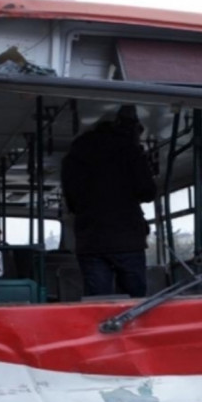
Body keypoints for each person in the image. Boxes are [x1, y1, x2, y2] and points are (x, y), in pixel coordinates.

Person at [61, 105, 156, 297]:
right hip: (127, 238)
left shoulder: (75, 155)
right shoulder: (130, 151)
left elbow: (71, 201)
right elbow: (147, 191)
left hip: (90, 238)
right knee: (133, 301)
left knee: (98, 301)